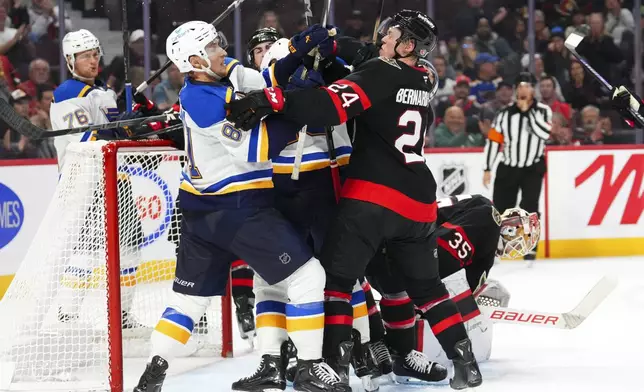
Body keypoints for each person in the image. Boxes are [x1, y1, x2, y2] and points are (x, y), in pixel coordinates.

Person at [226, 10, 483, 390]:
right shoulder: (425, 77)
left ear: (408, 45)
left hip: (373, 199)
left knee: (337, 283)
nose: (382, 37)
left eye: (391, 34)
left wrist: (273, 99)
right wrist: (335, 48)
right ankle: (466, 363)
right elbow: (369, 70)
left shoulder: (380, 73)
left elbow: (328, 107)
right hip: (418, 202)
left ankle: (336, 365)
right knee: (428, 290)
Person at [134, 21, 344, 392]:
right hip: (238, 209)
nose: (222, 51)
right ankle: (310, 367)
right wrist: (298, 106)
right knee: (308, 277)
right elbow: (256, 149)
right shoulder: (203, 100)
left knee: (188, 302)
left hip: (200, 212)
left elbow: (260, 81)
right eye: (214, 47)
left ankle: (153, 371)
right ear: (196, 59)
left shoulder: (210, 79)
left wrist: (296, 54)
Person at [367, 195, 540, 371]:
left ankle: (375, 338)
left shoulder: (481, 202)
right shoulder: (488, 224)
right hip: (396, 252)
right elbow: (444, 252)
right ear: (510, 229)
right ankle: (384, 343)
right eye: (518, 243)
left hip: (385, 235)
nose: (514, 248)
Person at [49, 29, 148, 331]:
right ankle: (66, 314)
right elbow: (84, 138)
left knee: (131, 244)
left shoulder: (102, 89)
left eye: (95, 54)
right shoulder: (68, 92)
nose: (92, 60)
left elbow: (114, 128)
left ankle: (124, 315)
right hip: (84, 180)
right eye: (85, 56)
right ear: (70, 60)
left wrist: (132, 118)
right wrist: (119, 126)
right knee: (87, 248)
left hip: (115, 176)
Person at [482, 72, 551, 261]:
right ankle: (497, 246)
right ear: (515, 90)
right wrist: (487, 168)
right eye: (520, 86)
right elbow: (494, 142)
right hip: (509, 166)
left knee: (530, 207)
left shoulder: (543, 111)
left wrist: (527, 112)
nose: (523, 89)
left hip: (532, 167)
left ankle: (530, 247)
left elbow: (544, 134)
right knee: (501, 208)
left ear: (533, 89)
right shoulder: (504, 114)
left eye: (527, 86)